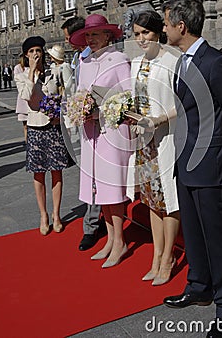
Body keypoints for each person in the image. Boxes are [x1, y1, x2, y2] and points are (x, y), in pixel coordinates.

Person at [162, 0, 222, 338]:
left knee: (217, 236)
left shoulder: (216, 63)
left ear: (181, 26)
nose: (163, 29)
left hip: (209, 165)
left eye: (166, 23)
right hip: (185, 163)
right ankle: (199, 284)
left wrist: (221, 156)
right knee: (193, 233)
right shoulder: (182, 62)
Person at [70, 14, 131, 268]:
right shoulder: (85, 61)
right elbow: (81, 94)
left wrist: (101, 109)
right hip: (91, 134)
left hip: (111, 133)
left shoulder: (118, 60)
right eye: (87, 35)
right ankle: (110, 239)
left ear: (108, 35)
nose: (90, 39)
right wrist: (79, 108)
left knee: (112, 190)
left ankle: (120, 241)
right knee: (98, 190)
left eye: (95, 34)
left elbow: (129, 97)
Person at [126, 10, 180, 285]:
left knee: (169, 201)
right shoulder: (135, 63)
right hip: (144, 140)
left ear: (158, 31)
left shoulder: (173, 60)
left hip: (166, 137)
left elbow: (183, 102)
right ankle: (156, 255)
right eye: (136, 34)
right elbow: (137, 100)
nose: (141, 38)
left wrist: (158, 119)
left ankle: (168, 256)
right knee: (151, 198)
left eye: (145, 32)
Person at [14, 36, 71, 236]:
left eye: (38, 50)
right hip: (35, 127)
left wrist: (61, 115)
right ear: (25, 54)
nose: (35, 54)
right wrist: (31, 71)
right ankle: (43, 215)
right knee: (39, 173)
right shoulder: (20, 73)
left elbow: (64, 94)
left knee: (57, 171)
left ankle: (56, 214)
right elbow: (27, 96)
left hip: (53, 126)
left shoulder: (52, 70)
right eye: (31, 51)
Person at [62, 17, 101, 251]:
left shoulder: (94, 56)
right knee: (88, 173)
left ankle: (92, 224)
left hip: (97, 122)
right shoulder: (80, 57)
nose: (67, 41)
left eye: (68, 36)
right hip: (83, 121)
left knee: (95, 175)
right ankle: (94, 221)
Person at [14, 54, 29, 143]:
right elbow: (19, 82)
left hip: (31, 97)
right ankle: (27, 141)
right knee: (25, 125)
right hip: (23, 99)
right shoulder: (17, 68)